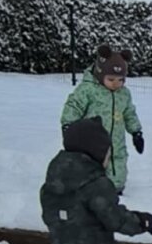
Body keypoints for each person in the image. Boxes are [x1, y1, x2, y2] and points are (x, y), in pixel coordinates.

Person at [61, 47, 144, 192]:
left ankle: (114, 187)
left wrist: (136, 132)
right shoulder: (88, 90)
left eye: (120, 80)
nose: (116, 83)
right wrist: (68, 124)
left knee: (117, 166)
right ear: (100, 74)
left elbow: (129, 113)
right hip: (91, 141)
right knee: (89, 164)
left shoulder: (124, 94)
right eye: (111, 79)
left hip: (116, 143)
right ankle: (88, 187)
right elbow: (74, 106)